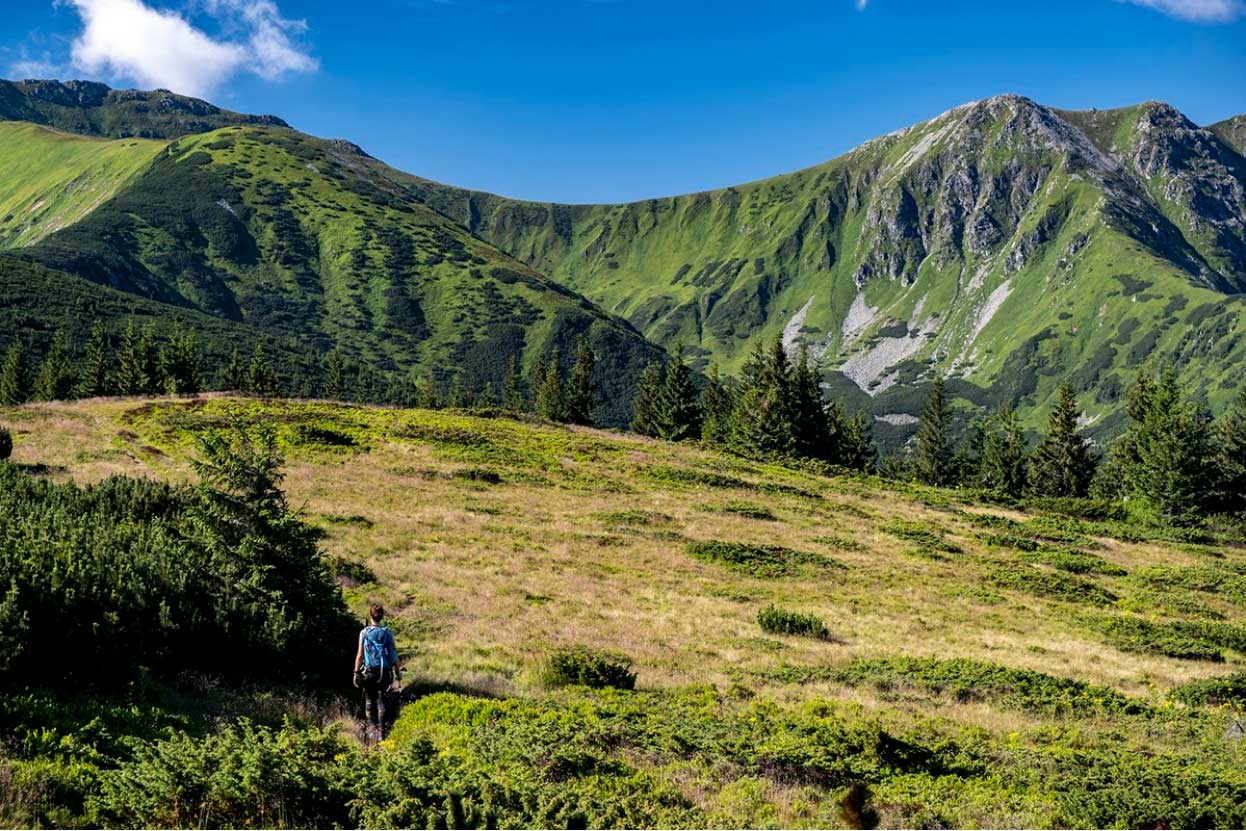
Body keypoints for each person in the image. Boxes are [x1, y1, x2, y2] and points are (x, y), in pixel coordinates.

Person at [352, 604, 399, 742]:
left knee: (369, 699)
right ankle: (382, 733)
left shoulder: (364, 633)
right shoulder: (388, 633)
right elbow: (393, 653)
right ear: (382, 616)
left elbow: (360, 655)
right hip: (385, 672)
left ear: (370, 616)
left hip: (369, 672)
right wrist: (397, 672)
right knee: (382, 699)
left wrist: (356, 672)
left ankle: (371, 731)